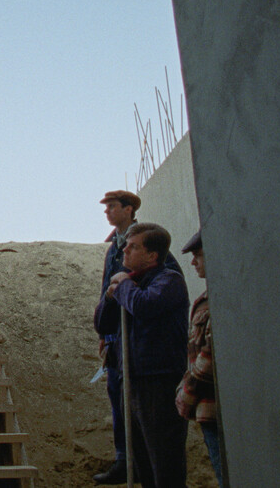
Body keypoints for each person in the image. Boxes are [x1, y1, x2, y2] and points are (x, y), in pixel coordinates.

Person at [93, 191, 182, 484]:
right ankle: (123, 461)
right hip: (130, 371)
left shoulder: (167, 278)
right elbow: (103, 320)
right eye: (125, 247)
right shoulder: (122, 267)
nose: (124, 253)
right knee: (140, 453)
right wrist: (110, 295)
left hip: (157, 376)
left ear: (152, 255)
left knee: (162, 456)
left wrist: (123, 285)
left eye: (132, 248)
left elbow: (145, 306)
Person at [176, 230, 225, 486]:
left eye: (198, 255)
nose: (193, 262)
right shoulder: (208, 298)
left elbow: (207, 361)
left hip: (215, 408)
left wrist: (186, 395)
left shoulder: (219, 301)